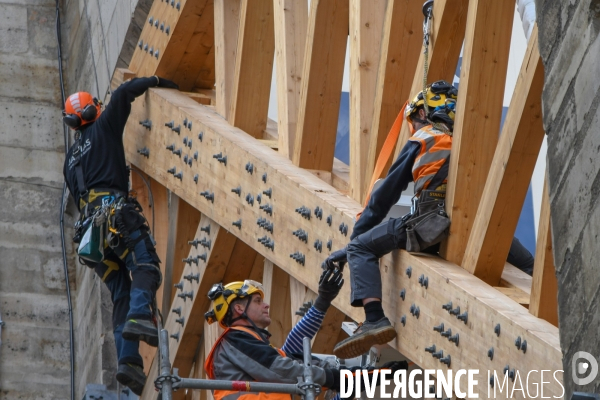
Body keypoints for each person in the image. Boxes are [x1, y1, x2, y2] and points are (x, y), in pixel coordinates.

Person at [326, 80, 535, 360]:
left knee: (361, 248)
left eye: (413, 120)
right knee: (531, 269)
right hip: (480, 229)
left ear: (423, 113)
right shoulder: (476, 144)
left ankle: (374, 318)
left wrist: (354, 241)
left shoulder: (425, 136)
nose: (412, 127)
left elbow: (384, 197)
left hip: (432, 225)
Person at [62, 76, 179, 394]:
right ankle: (142, 315)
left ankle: (129, 363)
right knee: (145, 266)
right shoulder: (104, 126)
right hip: (115, 216)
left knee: (120, 294)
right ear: (94, 111)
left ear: (73, 124)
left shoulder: (69, 161)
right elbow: (126, 92)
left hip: (92, 243)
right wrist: (158, 80)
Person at [203, 271, 345, 400]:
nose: (266, 305)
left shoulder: (247, 346)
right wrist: (335, 377)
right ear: (239, 308)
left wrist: (348, 379)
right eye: (258, 301)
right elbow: (282, 369)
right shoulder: (236, 340)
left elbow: (293, 357)